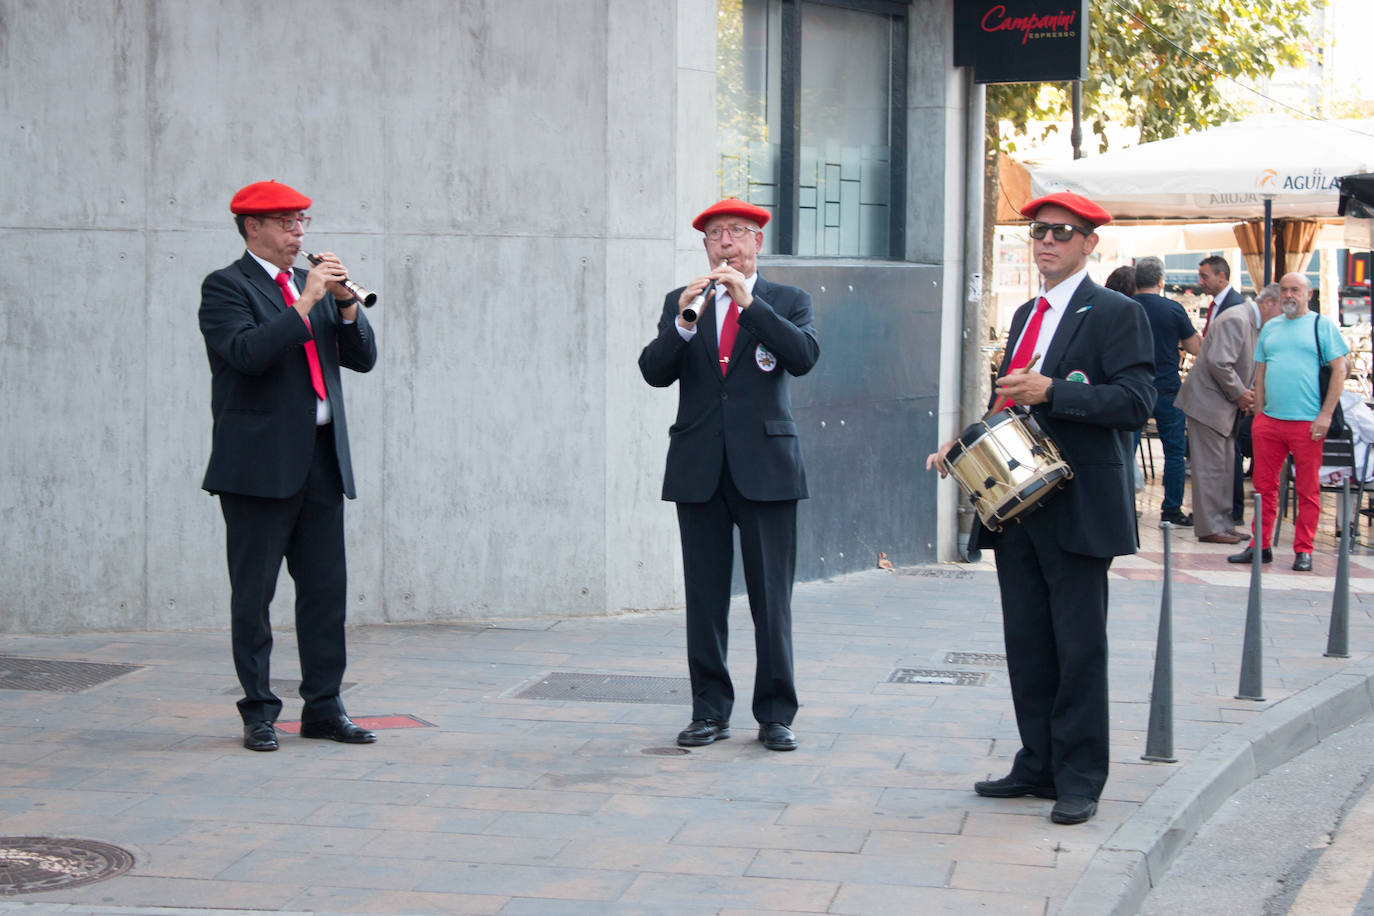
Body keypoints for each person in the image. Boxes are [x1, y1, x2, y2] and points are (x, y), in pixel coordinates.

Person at [927, 191, 1154, 825]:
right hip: (1018, 502)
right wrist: (966, 442)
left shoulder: (1116, 312)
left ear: (1089, 243)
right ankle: (1039, 762)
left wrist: (1056, 391)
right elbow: (1012, 404)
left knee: (1079, 645)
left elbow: (1137, 401)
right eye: (1038, 233)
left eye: (1061, 232)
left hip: (1081, 502)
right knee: (1026, 641)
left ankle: (1080, 776)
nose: (1046, 242)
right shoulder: (1027, 313)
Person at [200, 180, 379, 751]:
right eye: (286, 223)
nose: (299, 233)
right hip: (257, 468)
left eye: (302, 221)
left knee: (326, 593)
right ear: (254, 227)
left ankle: (325, 708)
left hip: (322, 462)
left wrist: (346, 303)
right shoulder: (226, 287)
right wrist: (305, 304)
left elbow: (363, 358)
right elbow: (247, 353)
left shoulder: (315, 285)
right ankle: (258, 711)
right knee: (253, 596)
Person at [638, 198, 819, 753]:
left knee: (771, 599)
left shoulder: (787, 300)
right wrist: (681, 325)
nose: (725, 243)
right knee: (705, 597)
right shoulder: (683, 301)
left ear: (757, 242)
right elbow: (653, 371)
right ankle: (709, 710)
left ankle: (775, 714)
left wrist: (750, 305)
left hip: (765, 468)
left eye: (737, 233)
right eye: (715, 235)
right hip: (699, 469)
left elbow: (803, 356)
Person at [1229, 272, 1350, 571]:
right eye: (1284, 290)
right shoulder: (1271, 328)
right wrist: (1259, 414)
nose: (1289, 296)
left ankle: (1304, 549)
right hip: (1270, 421)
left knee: (1308, 490)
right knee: (1263, 488)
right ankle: (1261, 545)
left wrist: (1325, 414)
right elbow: (1262, 370)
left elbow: (1340, 370)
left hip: (1307, 423)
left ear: (1309, 294)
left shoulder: (1322, 326)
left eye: (1295, 290)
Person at [1176, 284, 1281, 544]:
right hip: (1208, 404)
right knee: (1211, 468)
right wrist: (1241, 394)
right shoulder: (1237, 318)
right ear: (1268, 302)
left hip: (1222, 406)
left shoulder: (1251, 323)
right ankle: (1211, 527)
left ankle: (1222, 522)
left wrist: (1250, 392)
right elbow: (1219, 362)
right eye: (1280, 308)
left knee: (1224, 467)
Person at [1133, 256, 1200, 526]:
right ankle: (1171, 511)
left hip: (1134, 388)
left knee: (1127, 449)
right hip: (1167, 388)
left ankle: (1122, 504)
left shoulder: (1125, 307)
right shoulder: (1174, 309)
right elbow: (1196, 348)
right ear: (1160, 281)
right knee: (1174, 452)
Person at [1198, 255, 1249, 524]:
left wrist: (1239, 391)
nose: (1200, 282)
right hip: (1216, 394)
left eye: (1205, 276)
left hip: (1225, 396)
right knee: (1218, 458)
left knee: (1228, 456)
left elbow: (1226, 357)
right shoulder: (1218, 305)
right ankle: (1219, 510)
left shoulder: (1234, 306)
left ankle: (1231, 510)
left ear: (1222, 276)